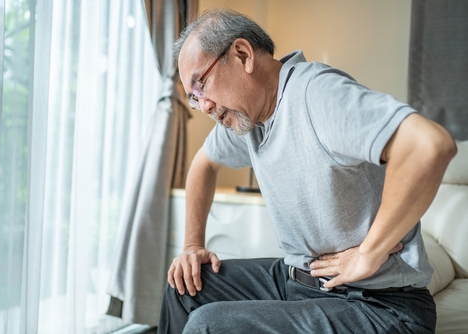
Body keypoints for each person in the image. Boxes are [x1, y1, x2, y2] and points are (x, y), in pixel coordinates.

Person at [158, 8, 457, 334]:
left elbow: (429, 145)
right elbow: (203, 163)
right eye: (193, 97)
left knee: (208, 325)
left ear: (242, 54)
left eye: (201, 85)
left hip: (381, 305)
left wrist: (371, 251)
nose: (204, 106)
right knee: (185, 287)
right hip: (302, 281)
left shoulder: (316, 94)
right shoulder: (250, 119)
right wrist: (191, 247)